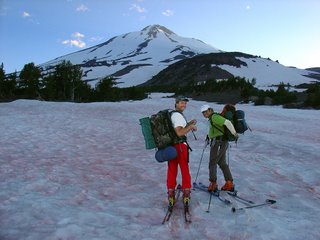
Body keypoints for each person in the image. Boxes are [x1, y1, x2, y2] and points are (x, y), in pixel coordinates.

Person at [167, 96, 197, 209]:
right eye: (181, 103)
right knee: (184, 169)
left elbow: (176, 129)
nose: (184, 105)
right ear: (176, 103)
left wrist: (188, 123)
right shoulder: (178, 115)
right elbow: (179, 132)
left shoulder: (172, 115)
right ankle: (186, 194)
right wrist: (191, 127)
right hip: (180, 146)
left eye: (185, 103)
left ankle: (170, 194)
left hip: (171, 146)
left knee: (172, 169)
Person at [200, 104, 238, 192]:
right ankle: (229, 183)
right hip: (222, 142)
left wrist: (234, 133)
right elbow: (215, 129)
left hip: (218, 143)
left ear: (210, 110)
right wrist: (209, 136)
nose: (204, 114)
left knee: (212, 163)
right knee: (222, 162)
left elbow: (227, 123)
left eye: (205, 112)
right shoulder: (212, 118)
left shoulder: (214, 117)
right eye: (203, 113)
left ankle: (213, 184)